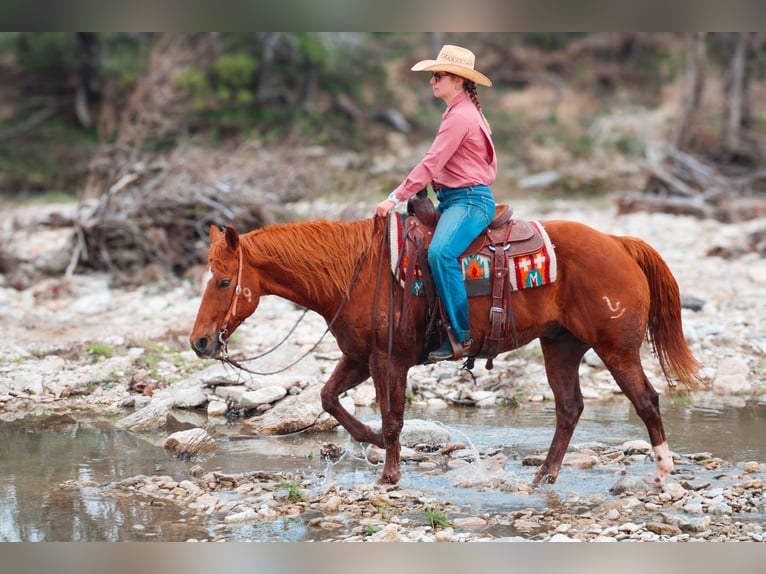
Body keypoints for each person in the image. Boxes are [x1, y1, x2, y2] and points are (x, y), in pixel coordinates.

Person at [375, 44, 497, 362]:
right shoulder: (460, 111)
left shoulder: (461, 116)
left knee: (442, 253)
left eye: (437, 75)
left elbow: (431, 163)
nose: (432, 81)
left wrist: (394, 197)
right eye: (432, 76)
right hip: (456, 199)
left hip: (469, 201)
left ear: (457, 80)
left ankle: (461, 335)